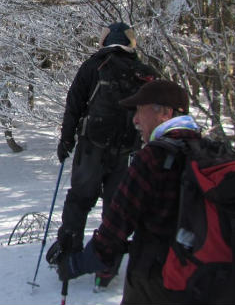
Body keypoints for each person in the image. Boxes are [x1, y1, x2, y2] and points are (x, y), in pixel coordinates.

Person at [56, 79, 202, 304]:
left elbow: (115, 228)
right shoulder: (210, 155)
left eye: (140, 111)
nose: (134, 120)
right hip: (205, 282)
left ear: (164, 113)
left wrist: (76, 264)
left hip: (156, 282)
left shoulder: (152, 159)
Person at [53, 22, 157, 288]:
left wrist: (66, 141)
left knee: (79, 200)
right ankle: (108, 265)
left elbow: (74, 104)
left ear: (105, 41)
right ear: (131, 43)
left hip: (92, 147)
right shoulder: (145, 73)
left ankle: (69, 250)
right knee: (117, 208)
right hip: (127, 151)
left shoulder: (93, 66)